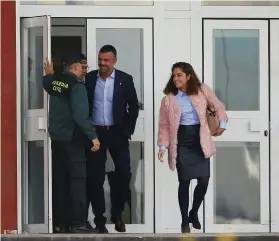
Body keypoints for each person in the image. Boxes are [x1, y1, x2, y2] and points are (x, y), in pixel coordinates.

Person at [157, 62, 228, 233]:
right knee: (184, 182)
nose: (176, 79)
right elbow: (164, 125)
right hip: (182, 142)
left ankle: (194, 212)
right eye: (174, 75)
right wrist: (163, 146)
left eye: (179, 75)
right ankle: (184, 222)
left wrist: (222, 124)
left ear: (189, 76)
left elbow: (218, 105)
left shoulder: (202, 90)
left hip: (200, 139)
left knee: (203, 180)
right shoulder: (169, 99)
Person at [43, 54, 100, 233]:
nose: (84, 71)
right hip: (72, 140)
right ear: (75, 67)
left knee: (60, 182)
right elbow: (80, 115)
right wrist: (93, 136)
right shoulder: (77, 86)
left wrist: (48, 74)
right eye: (82, 67)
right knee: (77, 181)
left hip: (57, 140)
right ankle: (78, 223)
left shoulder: (54, 83)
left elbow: (47, 82)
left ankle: (60, 224)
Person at [85, 45, 140, 233]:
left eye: (106, 60)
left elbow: (133, 107)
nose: (102, 64)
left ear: (114, 61)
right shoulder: (90, 78)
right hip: (96, 134)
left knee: (124, 173)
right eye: (100, 60)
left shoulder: (125, 79)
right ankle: (100, 220)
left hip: (118, 133)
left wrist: (127, 130)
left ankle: (118, 212)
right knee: (95, 178)